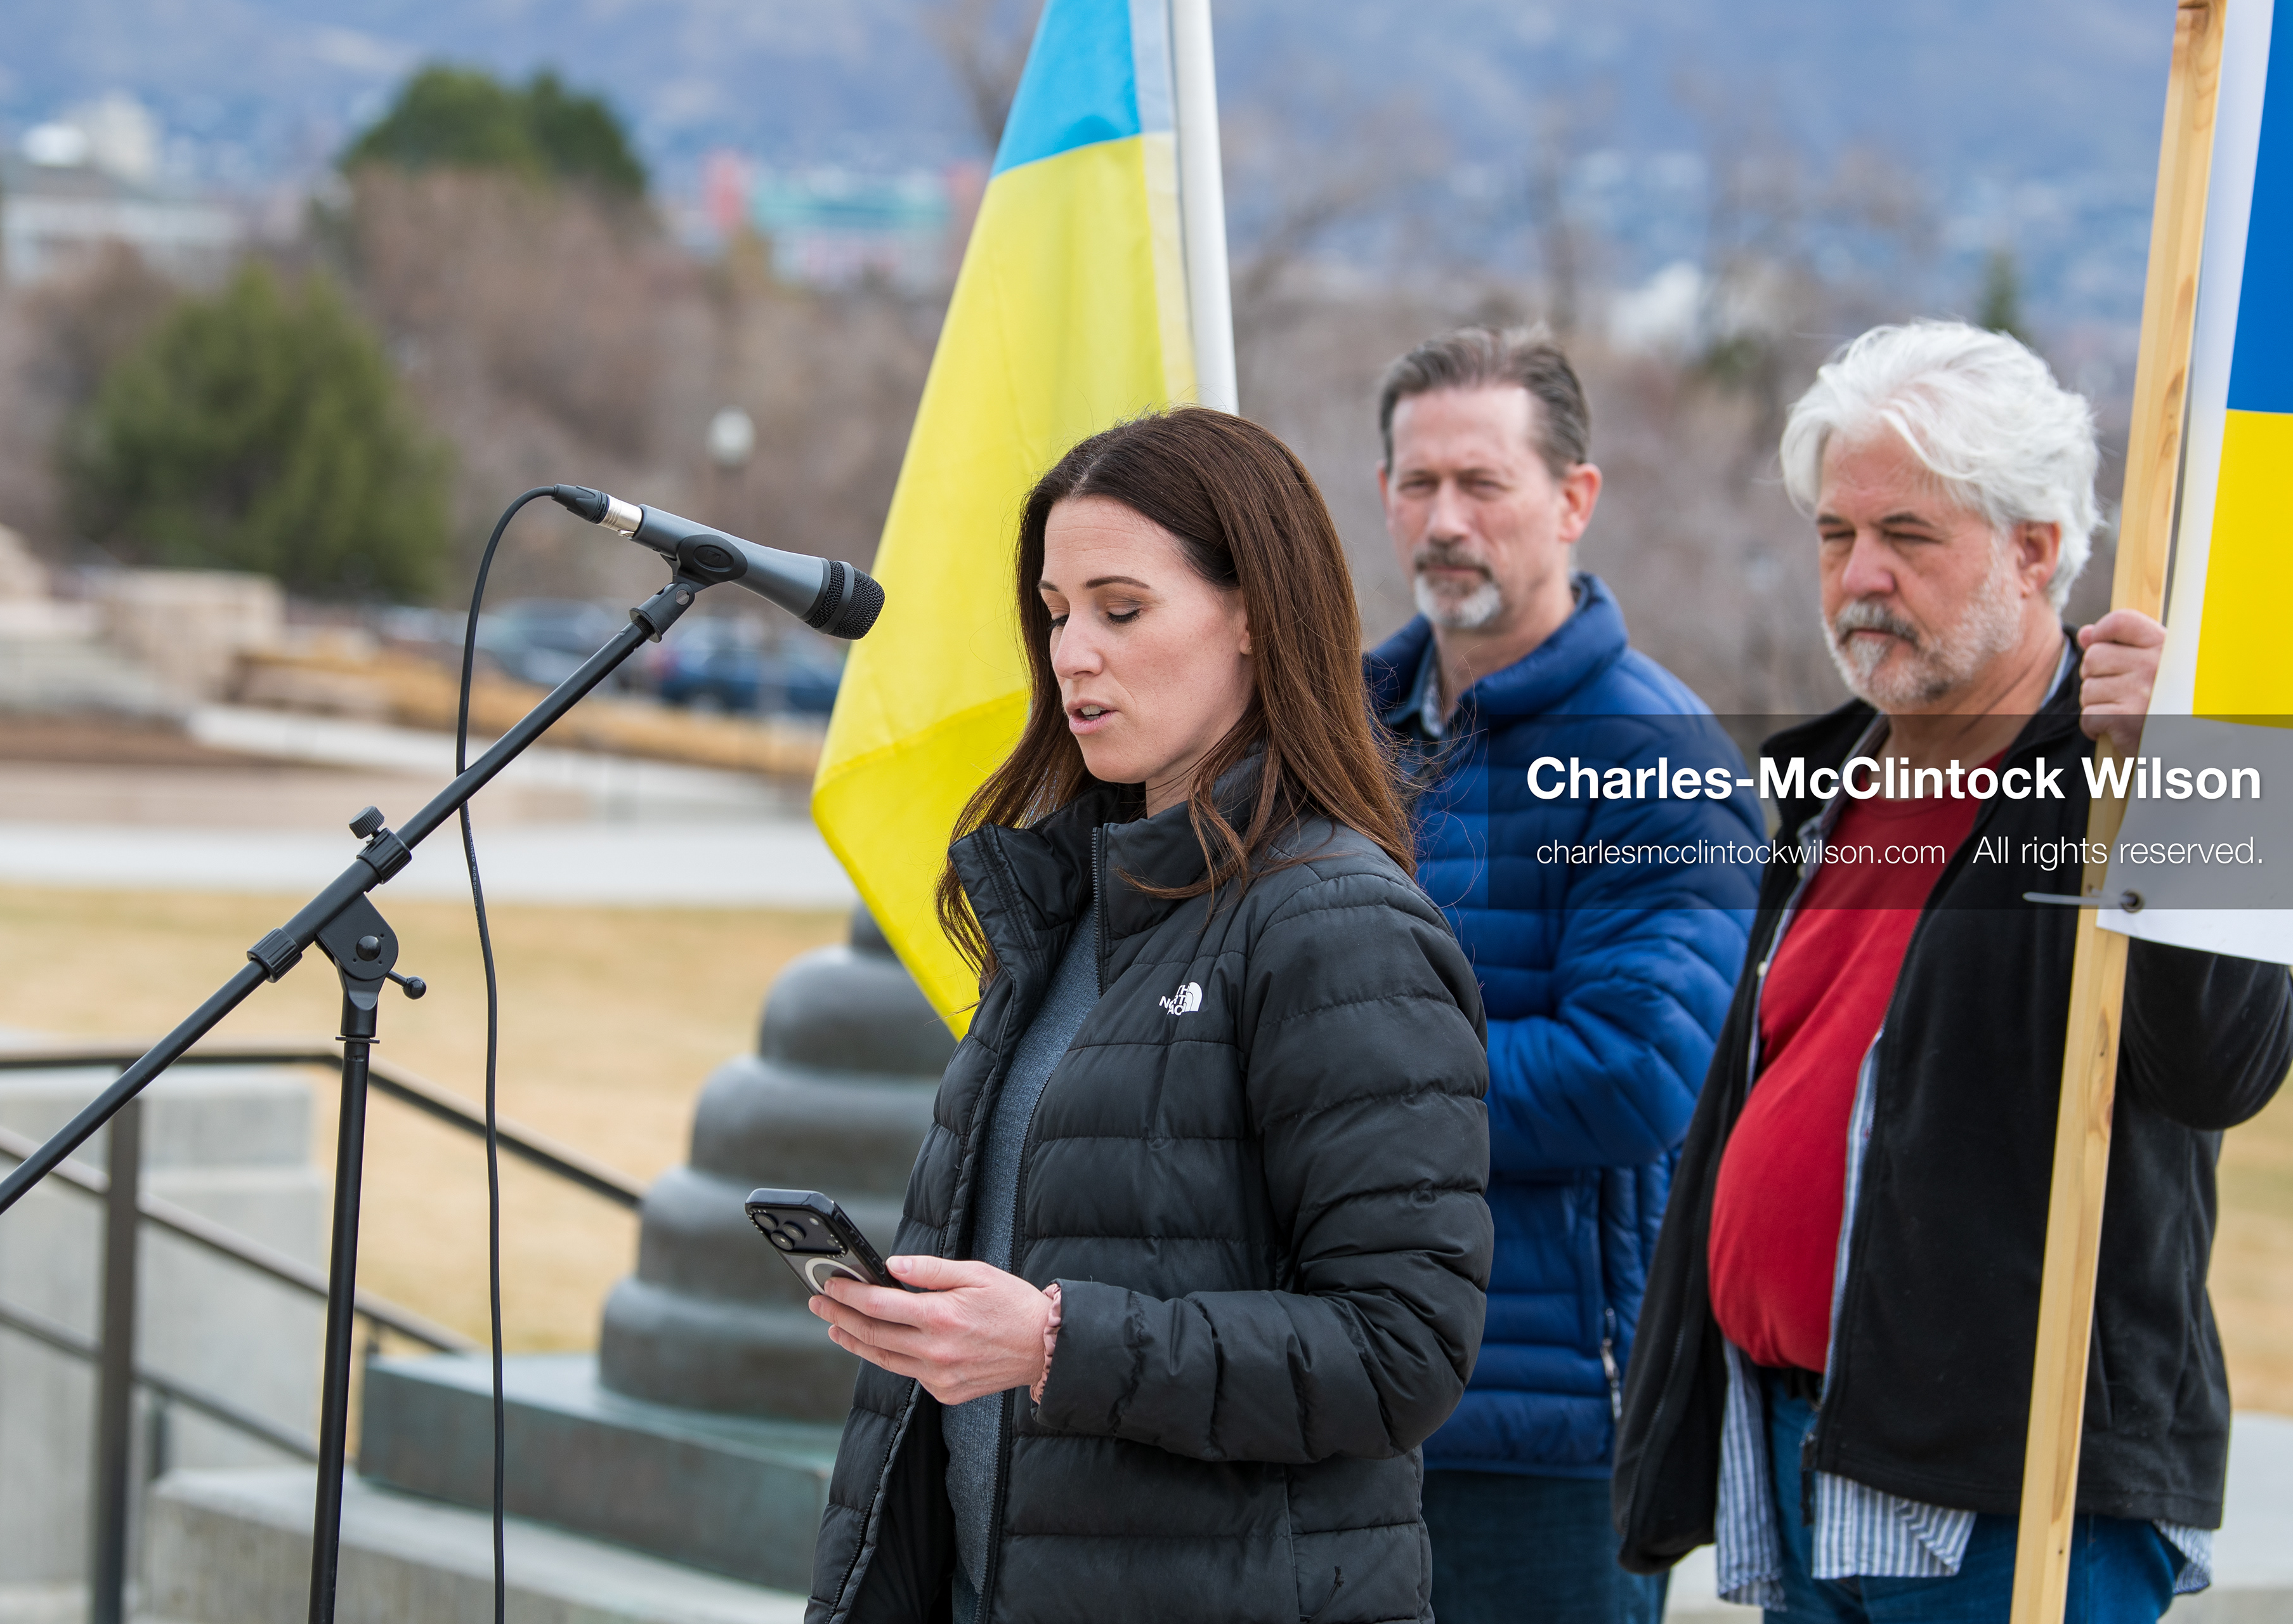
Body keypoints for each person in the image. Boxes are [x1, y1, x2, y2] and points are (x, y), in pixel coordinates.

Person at [1612, 320, 2293, 1621]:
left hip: (2018, 1500)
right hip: (1808, 1456)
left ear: (2037, 548)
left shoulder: (2153, 752)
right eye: (1834, 534)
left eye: (1908, 536)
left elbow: (2224, 1070)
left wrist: (2187, 774)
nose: (1861, 576)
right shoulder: (1824, 787)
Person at [802, 408, 1494, 1624]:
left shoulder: (1337, 924)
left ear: (1251, 616)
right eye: (1057, 613)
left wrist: (1058, 1346)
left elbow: (1403, 1353)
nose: (1073, 654)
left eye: (1121, 611)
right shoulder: (1065, 904)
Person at [1362, 326, 1763, 1624]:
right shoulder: (1337, 730)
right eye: (1419, 485)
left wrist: (1345, 1088)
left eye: (1484, 484)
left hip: (1541, 1426)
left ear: (1574, 499)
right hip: (1331, 1385)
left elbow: (1639, 1074)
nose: (1445, 519)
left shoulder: (1653, 757)